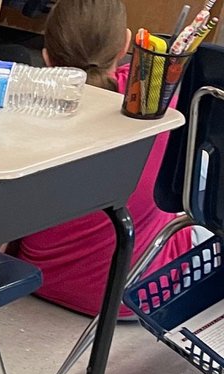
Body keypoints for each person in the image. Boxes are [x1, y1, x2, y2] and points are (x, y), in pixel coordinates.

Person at [12, 0, 195, 316]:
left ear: (45, 53)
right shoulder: (167, 109)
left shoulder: (22, 107)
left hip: (36, 278)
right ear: (126, 44)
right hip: (139, 296)